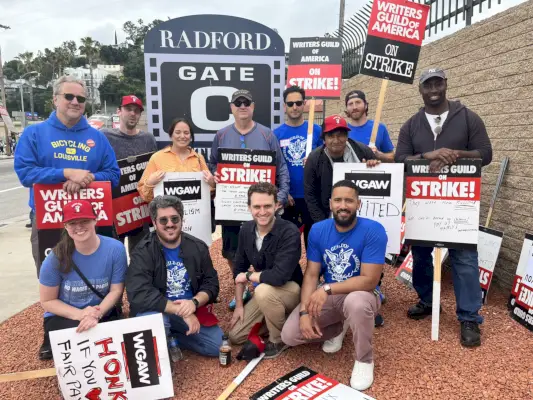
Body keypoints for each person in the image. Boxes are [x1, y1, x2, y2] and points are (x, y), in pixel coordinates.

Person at [395, 67, 492, 347]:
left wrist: (455, 154)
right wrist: (429, 155)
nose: (433, 89)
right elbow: (401, 157)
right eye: (428, 85)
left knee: (464, 259)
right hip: (423, 200)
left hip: (458, 200)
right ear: (421, 90)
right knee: (422, 255)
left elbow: (485, 154)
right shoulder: (411, 125)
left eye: (438, 83)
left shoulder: (468, 117)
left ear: (446, 84)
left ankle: (469, 317)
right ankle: (427, 300)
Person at [281, 180, 387, 390]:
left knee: (356, 303)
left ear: (359, 204)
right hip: (331, 294)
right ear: (330, 204)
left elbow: (369, 280)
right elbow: (311, 274)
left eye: (349, 200)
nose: (343, 205)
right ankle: (340, 326)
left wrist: (327, 289)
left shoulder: (374, 230)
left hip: (363, 293)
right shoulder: (318, 230)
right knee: (290, 335)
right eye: (338, 200)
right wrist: (304, 313)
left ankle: (364, 360)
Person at [14, 75, 120, 277]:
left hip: (91, 218)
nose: (75, 102)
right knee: (54, 276)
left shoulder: (97, 137)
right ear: (55, 99)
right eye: (69, 96)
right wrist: (65, 173)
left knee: (97, 274)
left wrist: (88, 179)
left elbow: (114, 175)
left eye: (80, 99)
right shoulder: (34, 133)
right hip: (49, 218)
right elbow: (26, 174)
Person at [209, 89, 290, 310]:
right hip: (232, 207)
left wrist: (281, 196)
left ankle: (266, 287)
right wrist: (215, 175)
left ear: (253, 107)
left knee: (266, 249)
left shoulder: (267, 135)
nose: (242, 106)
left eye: (246, 102)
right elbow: (212, 164)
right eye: (238, 103)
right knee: (232, 251)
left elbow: (280, 167)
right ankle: (243, 288)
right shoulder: (221, 135)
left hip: (262, 208)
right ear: (231, 108)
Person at [304, 114, 385, 330]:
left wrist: (374, 164)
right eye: (332, 135)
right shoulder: (315, 158)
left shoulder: (361, 151)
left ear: (347, 136)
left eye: (341, 134)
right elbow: (310, 195)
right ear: (324, 138)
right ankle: (328, 300)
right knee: (326, 264)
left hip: (357, 217)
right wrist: (324, 226)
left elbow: (383, 170)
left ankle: (368, 302)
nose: (337, 140)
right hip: (327, 218)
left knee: (366, 260)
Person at [126, 195, 222, 358]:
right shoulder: (142, 252)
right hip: (158, 310)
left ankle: (171, 337)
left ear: (182, 220)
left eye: (174, 219)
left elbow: (211, 283)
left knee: (217, 347)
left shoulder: (198, 247)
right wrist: (182, 311)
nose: (170, 224)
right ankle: (161, 346)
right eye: (163, 220)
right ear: (154, 222)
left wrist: (194, 302)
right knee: (158, 324)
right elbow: (139, 293)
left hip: (190, 307)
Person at [38, 200, 127, 360]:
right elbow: (47, 301)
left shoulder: (116, 249)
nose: (79, 227)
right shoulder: (54, 258)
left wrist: (95, 315)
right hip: (66, 315)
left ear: (95, 220)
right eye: (72, 223)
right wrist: (80, 315)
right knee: (83, 343)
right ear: (65, 226)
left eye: (84, 220)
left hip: (101, 310)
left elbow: (116, 290)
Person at [228, 182, 302, 359]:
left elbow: (279, 276)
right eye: (257, 207)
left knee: (262, 290)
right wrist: (239, 305)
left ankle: (278, 339)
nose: (262, 212)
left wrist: (248, 276)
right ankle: (275, 319)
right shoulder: (246, 230)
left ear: (277, 205)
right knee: (235, 336)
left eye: (267, 206)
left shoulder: (289, 232)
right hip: (267, 291)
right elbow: (238, 269)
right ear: (249, 207)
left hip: (292, 290)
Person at [101, 95, 158, 254]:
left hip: (139, 209)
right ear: (119, 111)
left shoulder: (148, 139)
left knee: (140, 257)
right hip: (114, 209)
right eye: (128, 109)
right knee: (113, 255)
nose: (133, 114)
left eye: (137, 111)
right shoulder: (104, 136)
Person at [274, 85, 321, 249]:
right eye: (290, 103)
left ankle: (313, 274)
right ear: (284, 106)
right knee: (288, 244)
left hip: (312, 196)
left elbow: (327, 160)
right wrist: (282, 192)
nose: (295, 107)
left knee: (314, 242)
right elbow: (275, 167)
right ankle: (293, 274)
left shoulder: (316, 130)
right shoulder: (277, 134)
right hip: (289, 198)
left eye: (298, 103)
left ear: (304, 104)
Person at [138, 117, 214, 203]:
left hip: (195, 214)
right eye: (177, 132)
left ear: (191, 137)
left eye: (186, 133)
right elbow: (144, 196)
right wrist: (150, 183)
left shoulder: (199, 158)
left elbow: (209, 194)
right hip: (168, 214)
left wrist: (212, 184)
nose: (182, 136)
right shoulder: (157, 158)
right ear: (171, 135)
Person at [345, 90, 395, 162]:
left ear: (366, 105)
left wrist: (379, 155)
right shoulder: (343, 131)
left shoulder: (379, 127)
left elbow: (392, 157)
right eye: (350, 104)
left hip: (374, 172)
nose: (354, 107)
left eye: (358, 102)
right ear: (346, 108)